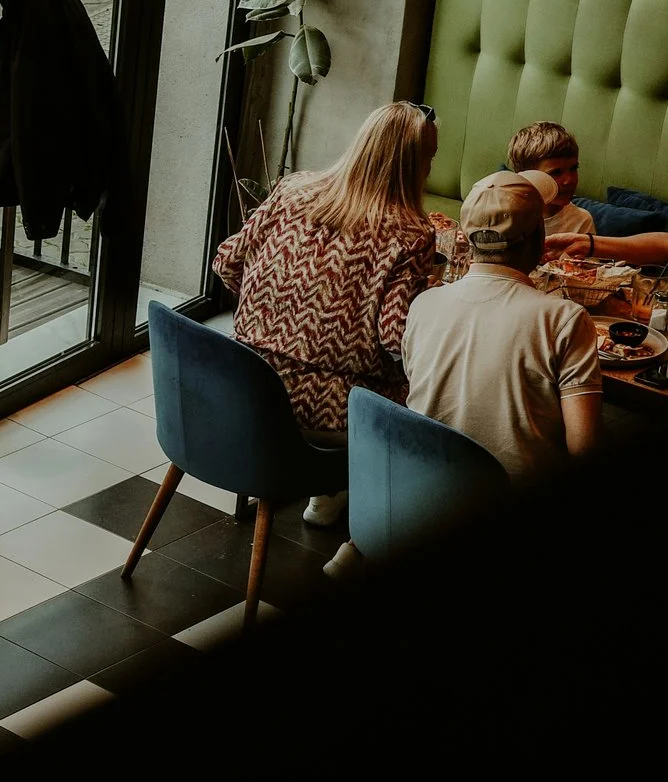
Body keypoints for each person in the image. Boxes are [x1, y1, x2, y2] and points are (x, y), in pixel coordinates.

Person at [213, 101, 440, 527]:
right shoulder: (411, 233)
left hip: (246, 384)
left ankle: (317, 484)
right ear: (412, 164)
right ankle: (342, 491)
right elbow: (394, 338)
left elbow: (228, 262)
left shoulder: (292, 190)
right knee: (435, 399)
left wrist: (282, 309)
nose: (430, 169)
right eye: (429, 158)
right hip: (332, 408)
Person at [403, 171, 604, 481]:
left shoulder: (422, 304)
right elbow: (584, 449)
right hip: (513, 515)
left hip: (425, 501)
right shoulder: (566, 319)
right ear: (539, 237)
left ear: (467, 240)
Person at [507, 121, 594, 239]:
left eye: (573, 168)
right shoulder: (507, 217)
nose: (568, 180)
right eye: (556, 172)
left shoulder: (581, 220)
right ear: (527, 176)